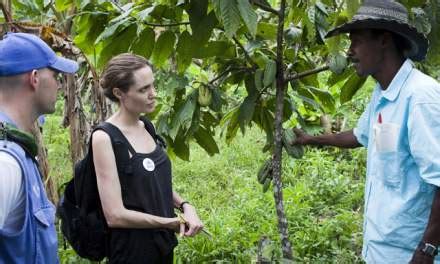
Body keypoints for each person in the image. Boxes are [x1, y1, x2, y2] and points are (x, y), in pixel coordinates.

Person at [292, 1, 440, 263]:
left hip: (410, 254)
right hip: (380, 248)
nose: (349, 52)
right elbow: (360, 136)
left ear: (383, 40)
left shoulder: (420, 97)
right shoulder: (382, 93)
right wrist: (311, 138)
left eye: (356, 42)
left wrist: (426, 249)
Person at [93, 53, 204, 263]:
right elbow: (114, 215)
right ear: (119, 93)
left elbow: (152, 183)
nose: (153, 94)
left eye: (152, 85)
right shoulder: (105, 138)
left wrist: (186, 206)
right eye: (143, 89)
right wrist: (167, 222)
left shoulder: (146, 126)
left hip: (161, 245)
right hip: (132, 251)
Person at [0, 32, 78, 263]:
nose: (59, 84)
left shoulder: (17, 148)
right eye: (55, 75)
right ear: (34, 78)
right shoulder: (6, 161)